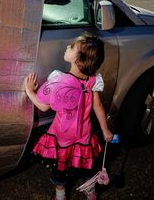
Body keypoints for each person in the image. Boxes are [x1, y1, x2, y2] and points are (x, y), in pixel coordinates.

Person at [24, 33, 113, 200]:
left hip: (61, 138)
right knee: (88, 166)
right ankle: (90, 190)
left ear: (78, 59)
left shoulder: (59, 80)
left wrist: (30, 91)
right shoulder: (92, 81)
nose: (67, 47)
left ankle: (61, 192)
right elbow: (98, 106)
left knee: (60, 169)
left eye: (71, 47)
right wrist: (105, 129)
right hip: (84, 137)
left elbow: (43, 105)